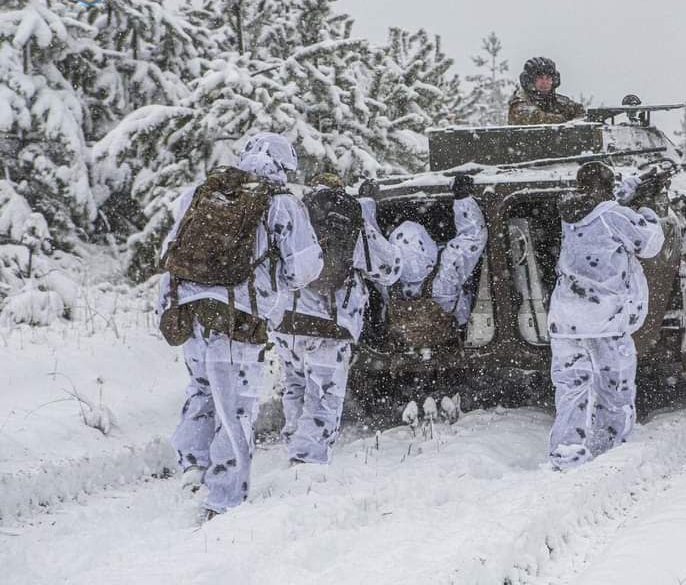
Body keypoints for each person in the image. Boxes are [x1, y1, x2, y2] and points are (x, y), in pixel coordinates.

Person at [158, 132, 323, 518]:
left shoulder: (201, 194)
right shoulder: (281, 204)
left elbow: (169, 253)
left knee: (201, 389)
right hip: (238, 319)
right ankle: (225, 499)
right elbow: (304, 267)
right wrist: (277, 281)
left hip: (192, 312)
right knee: (236, 409)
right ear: (283, 165)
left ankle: (193, 467)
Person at [271, 173, 401, 466]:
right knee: (324, 396)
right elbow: (389, 268)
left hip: (286, 322)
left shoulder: (291, 214)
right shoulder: (349, 221)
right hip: (329, 325)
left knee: (296, 385)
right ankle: (307, 463)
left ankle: (295, 445)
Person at [546, 162, 664, 470]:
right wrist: (648, 208)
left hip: (566, 318)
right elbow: (650, 244)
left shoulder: (568, 213)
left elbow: (602, 207)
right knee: (614, 386)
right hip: (604, 319)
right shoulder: (614, 216)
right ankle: (611, 450)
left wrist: (631, 190)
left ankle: (567, 451)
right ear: (605, 187)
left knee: (571, 387)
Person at [386, 175, 488, 344]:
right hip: (451, 341)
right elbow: (474, 236)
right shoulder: (446, 271)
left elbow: (369, 250)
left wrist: (366, 203)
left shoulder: (388, 281)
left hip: (404, 348)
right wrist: (463, 198)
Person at [507, 57, 585, 126]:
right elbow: (534, 118)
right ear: (530, 81)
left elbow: (580, 112)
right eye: (540, 78)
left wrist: (577, 119)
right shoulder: (520, 102)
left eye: (548, 78)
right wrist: (564, 119)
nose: (545, 82)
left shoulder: (559, 101)